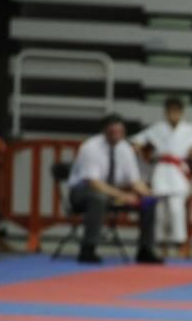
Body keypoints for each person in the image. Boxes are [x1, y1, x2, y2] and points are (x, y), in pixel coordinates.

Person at [66, 113, 162, 265]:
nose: (117, 135)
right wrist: (123, 195)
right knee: (98, 197)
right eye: (113, 132)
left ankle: (145, 249)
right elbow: (93, 182)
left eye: (120, 132)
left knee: (149, 201)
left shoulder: (125, 148)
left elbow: (134, 181)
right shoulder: (90, 147)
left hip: (113, 193)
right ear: (105, 131)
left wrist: (148, 193)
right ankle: (88, 248)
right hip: (82, 193)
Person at [130, 97, 192, 250]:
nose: (173, 115)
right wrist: (139, 146)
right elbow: (138, 139)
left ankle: (180, 240)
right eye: (170, 111)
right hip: (161, 168)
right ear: (165, 113)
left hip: (178, 169)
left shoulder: (189, 129)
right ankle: (159, 239)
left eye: (176, 111)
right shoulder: (158, 128)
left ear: (181, 112)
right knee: (159, 208)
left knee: (176, 206)